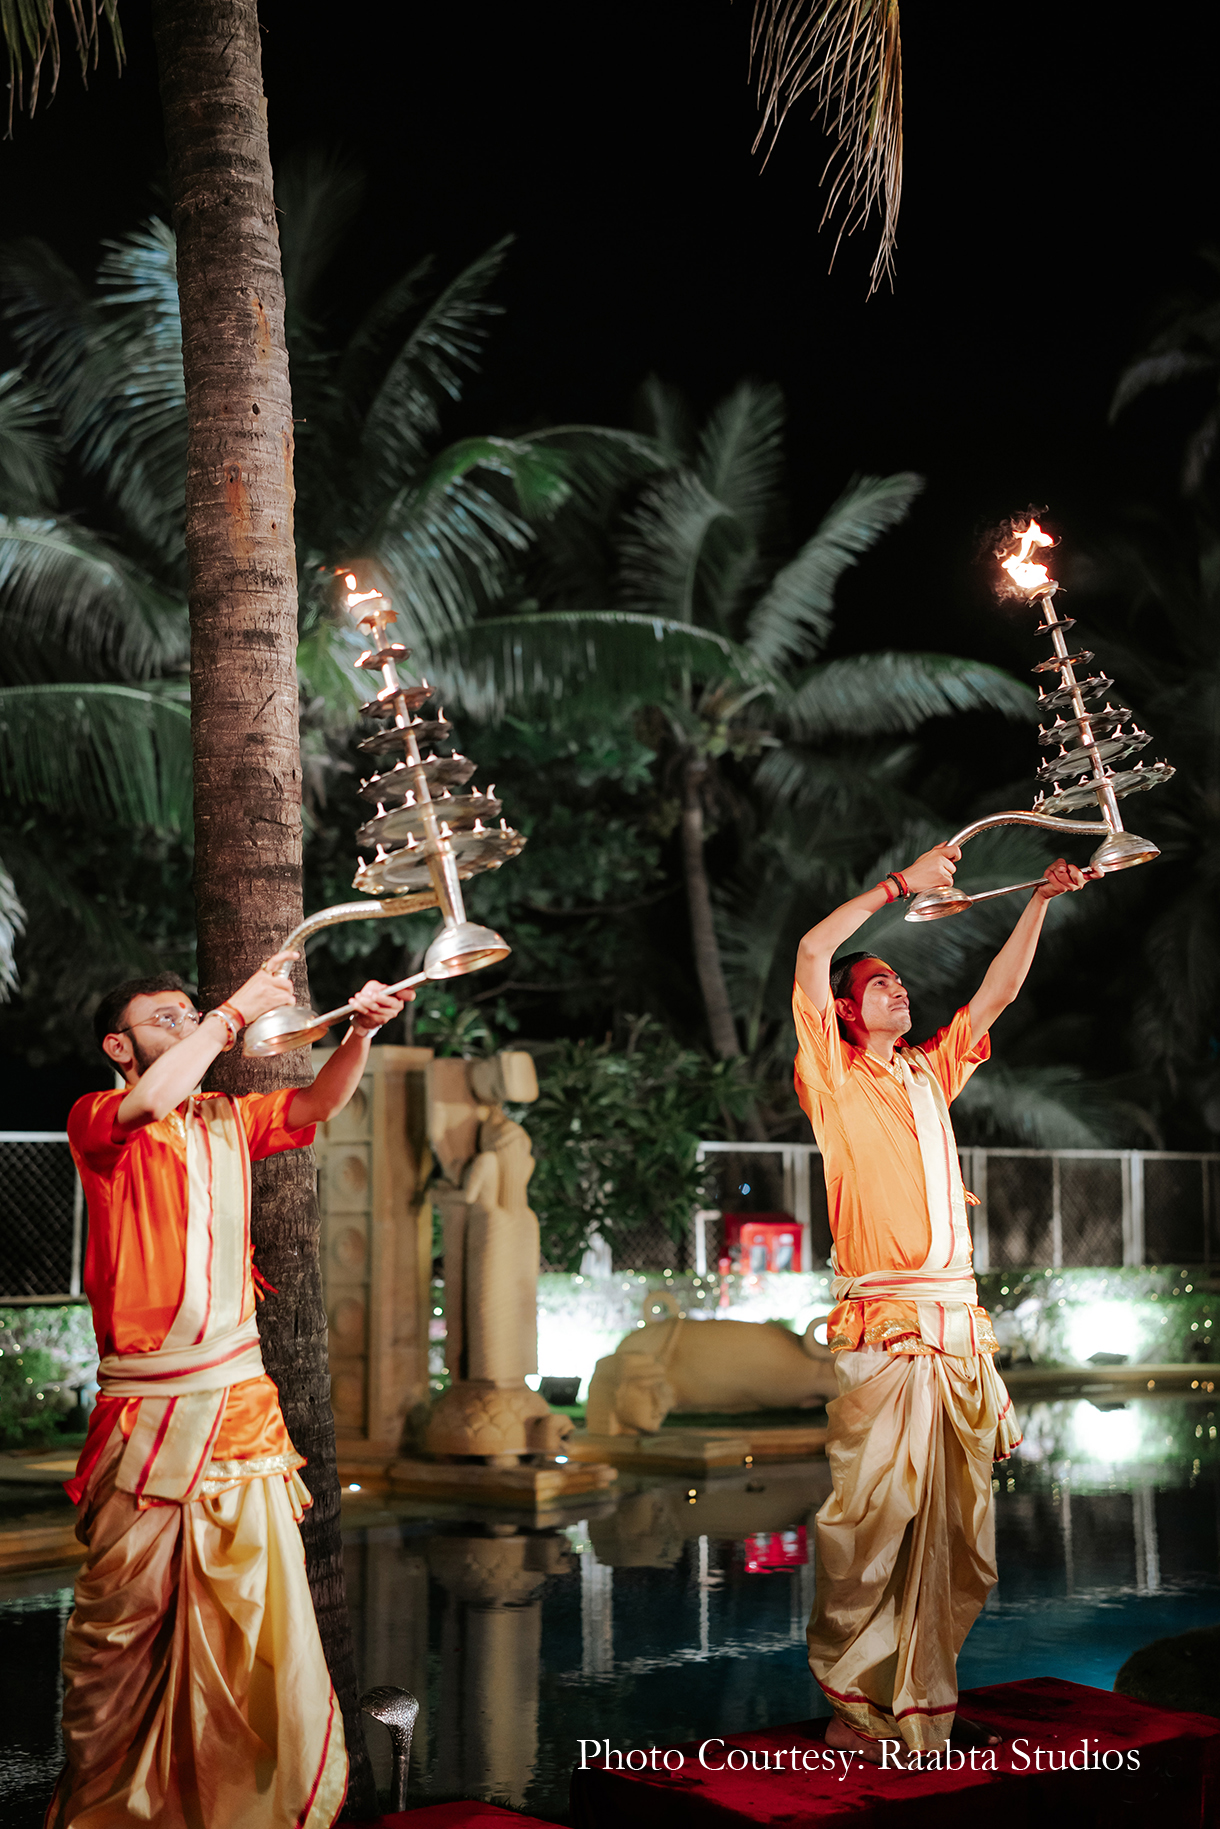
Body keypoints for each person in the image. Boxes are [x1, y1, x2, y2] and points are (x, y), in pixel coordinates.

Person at [50, 955, 410, 1829]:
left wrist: (358, 1032)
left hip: (239, 1408)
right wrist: (233, 1012)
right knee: (121, 1638)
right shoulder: (102, 1117)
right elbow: (145, 1101)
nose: (186, 1023)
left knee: (254, 1630)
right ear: (118, 1044)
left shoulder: (224, 1119)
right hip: (145, 1418)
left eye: (190, 1013)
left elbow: (318, 1106)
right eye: (164, 1019)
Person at [794, 842, 1090, 1764]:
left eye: (899, 984)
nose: (899, 992)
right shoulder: (833, 1079)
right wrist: (898, 888)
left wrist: (1041, 898)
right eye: (881, 983)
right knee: (873, 1525)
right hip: (887, 1329)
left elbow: (994, 995)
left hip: (959, 1331)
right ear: (846, 1009)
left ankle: (916, 1706)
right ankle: (853, 1696)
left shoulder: (928, 1072)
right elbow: (810, 951)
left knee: (958, 1537)